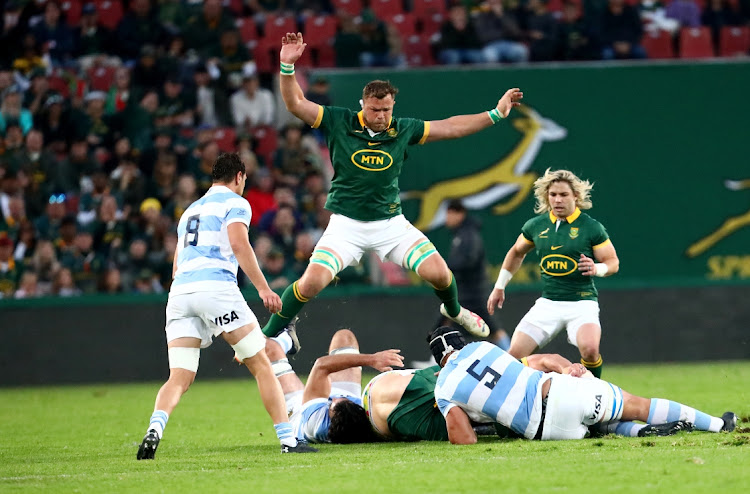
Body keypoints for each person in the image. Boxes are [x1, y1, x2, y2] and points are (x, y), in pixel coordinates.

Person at [262, 32, 524, 341]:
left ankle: (454, 311)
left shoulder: (403, 129)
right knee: (311, 283)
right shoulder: (339, 121)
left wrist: (495, 114)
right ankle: (272, 331)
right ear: (364, 105)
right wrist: (287, 66)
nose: (382, 116)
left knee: (441, 274)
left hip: (390, 224)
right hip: (346, 225)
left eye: (387, 109)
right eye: (376, 110)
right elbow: (295, 103)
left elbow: (450, 127)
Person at [136, 152, 317, 460]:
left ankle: (154, 429)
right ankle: (289, 440)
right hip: (216, 289)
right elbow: (238, 243)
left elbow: (176, 266)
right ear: (239, 177)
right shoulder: (235, 203)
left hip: (180, 294)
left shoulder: (190, 211)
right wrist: (263, 288)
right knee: (261, 364)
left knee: (178, 377)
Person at [428, 326, 737, 444]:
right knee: (637, 406)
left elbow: (464, 440)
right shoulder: (486, 348)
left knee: (595, 426)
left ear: (439, 360)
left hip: (548, 434)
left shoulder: (442, 389)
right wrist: (571, 368)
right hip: (561, 394)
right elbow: (539, 361)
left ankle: (640, 432)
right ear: (462, 343)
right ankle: (717, 425)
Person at [487, 169, 618, 378]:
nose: (557, 200)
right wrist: (500, 286)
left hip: (582, 303)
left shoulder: (591, 227)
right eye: (553, 194)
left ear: (576, 196)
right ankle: (515, 402)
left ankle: (595, 396)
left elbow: (613, 262)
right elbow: (516, 252)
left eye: (563, 195)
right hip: (548, 303)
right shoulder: (536, 226)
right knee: (512, 357)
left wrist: (597, 268)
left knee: (591, 351)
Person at [263, 320, 404, 444]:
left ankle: (287, 340)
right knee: (344, 336)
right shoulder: (366, 423)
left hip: (298, 409)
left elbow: (321, 366)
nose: (333, 397)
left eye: (331, 404)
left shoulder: (314, 422)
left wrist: (372, 360)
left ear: (330, 417)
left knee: (270, 347)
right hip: (342, 408)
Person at [439, 199, 510, 350]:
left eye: (449, 214)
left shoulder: (469, 235)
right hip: (464, 292)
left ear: (459, 214)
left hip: (474, 293)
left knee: (494, 330)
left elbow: (469, 260)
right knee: (445, 322)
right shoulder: (460, 235)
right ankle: (436, 359)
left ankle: (513, 357)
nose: (447, 219)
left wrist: (448, 267)